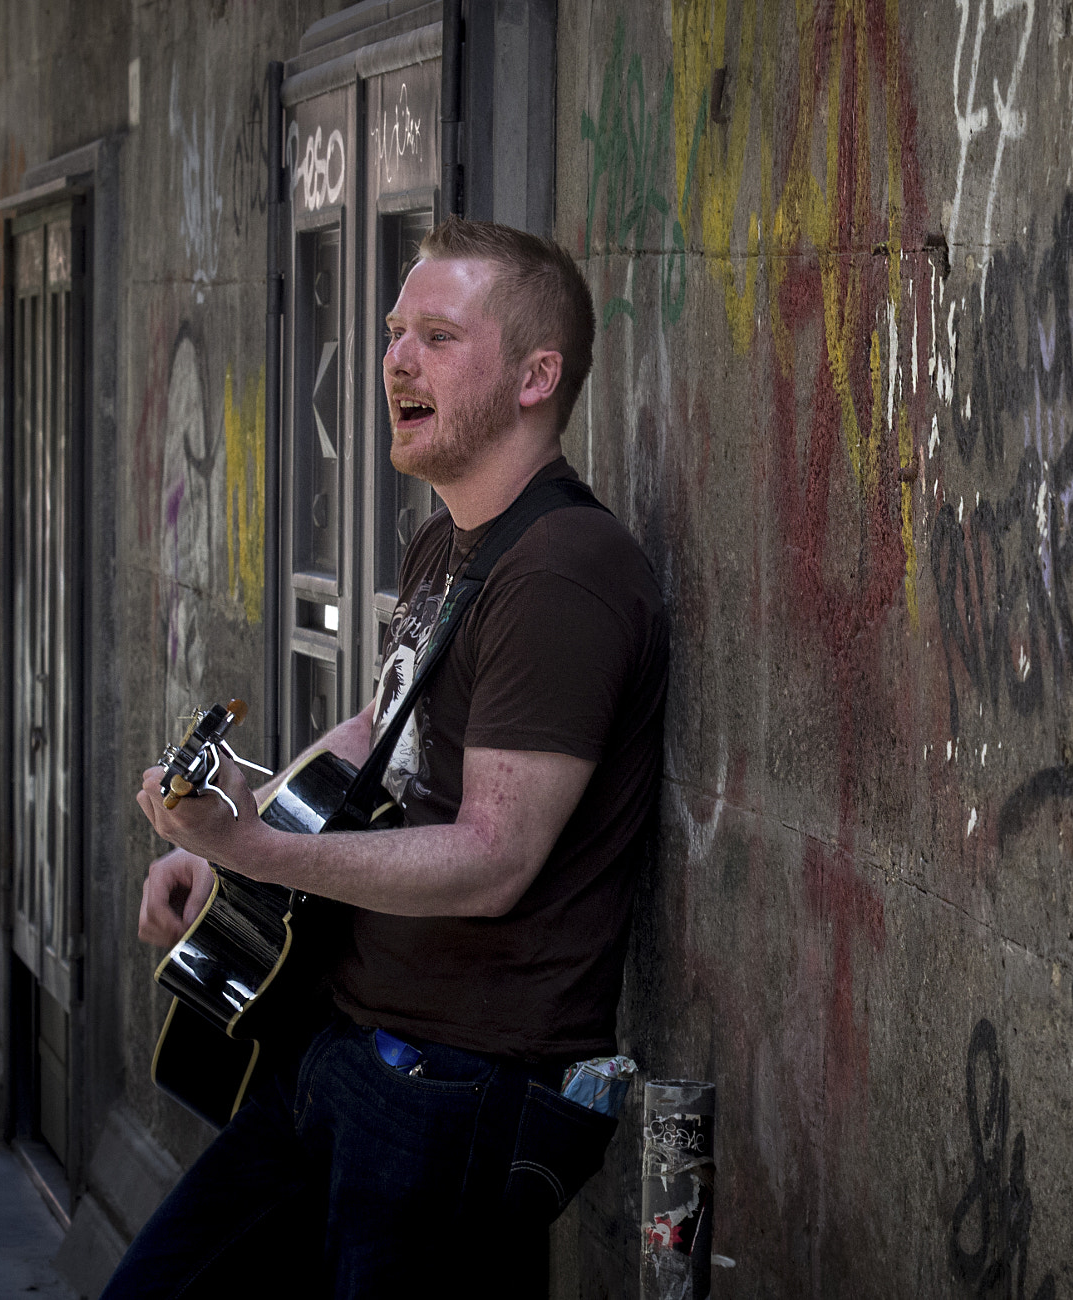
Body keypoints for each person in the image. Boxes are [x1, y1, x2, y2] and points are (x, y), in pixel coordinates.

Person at [104, 218, 668, 1298]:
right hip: (343, 1051)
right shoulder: (449, 538)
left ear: (536, 376)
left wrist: (259, 850)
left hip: (451, 1093)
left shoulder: (565, 575)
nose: (394, 359)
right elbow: (378, 733)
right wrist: (227, 832)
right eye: (393, 331)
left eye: (438, 337)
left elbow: (492, 859)